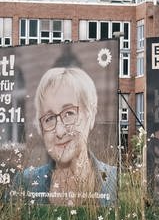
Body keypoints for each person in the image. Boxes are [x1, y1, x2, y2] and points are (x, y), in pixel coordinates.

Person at [8, 67, 117, 207]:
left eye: (69, 113)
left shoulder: (117, 180)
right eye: (49, 118)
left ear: (90, 115)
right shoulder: (24, 182)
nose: (59, 131)